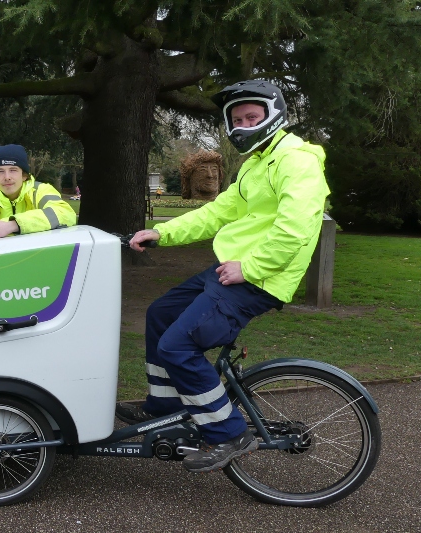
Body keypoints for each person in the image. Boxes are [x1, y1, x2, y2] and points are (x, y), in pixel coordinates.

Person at [115, 80, 330, 473]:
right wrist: (163, 233)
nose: (244, 124)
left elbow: (295, 229)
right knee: (160, 314)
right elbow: (218, 213)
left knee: (178, 346)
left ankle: (228, 433)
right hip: (231, 269)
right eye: (237, 118)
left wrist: (251, 267)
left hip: (258, 278)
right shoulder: (256, 163)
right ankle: (165, 406)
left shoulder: (296, 160)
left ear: (274, 114)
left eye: (252, 116)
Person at [0, 144, 76, 243]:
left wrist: (13, 225)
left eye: (13, 170)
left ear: (24, 175)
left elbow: (65, 214)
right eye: (0, 171)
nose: (7, 177)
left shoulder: (41, 190)